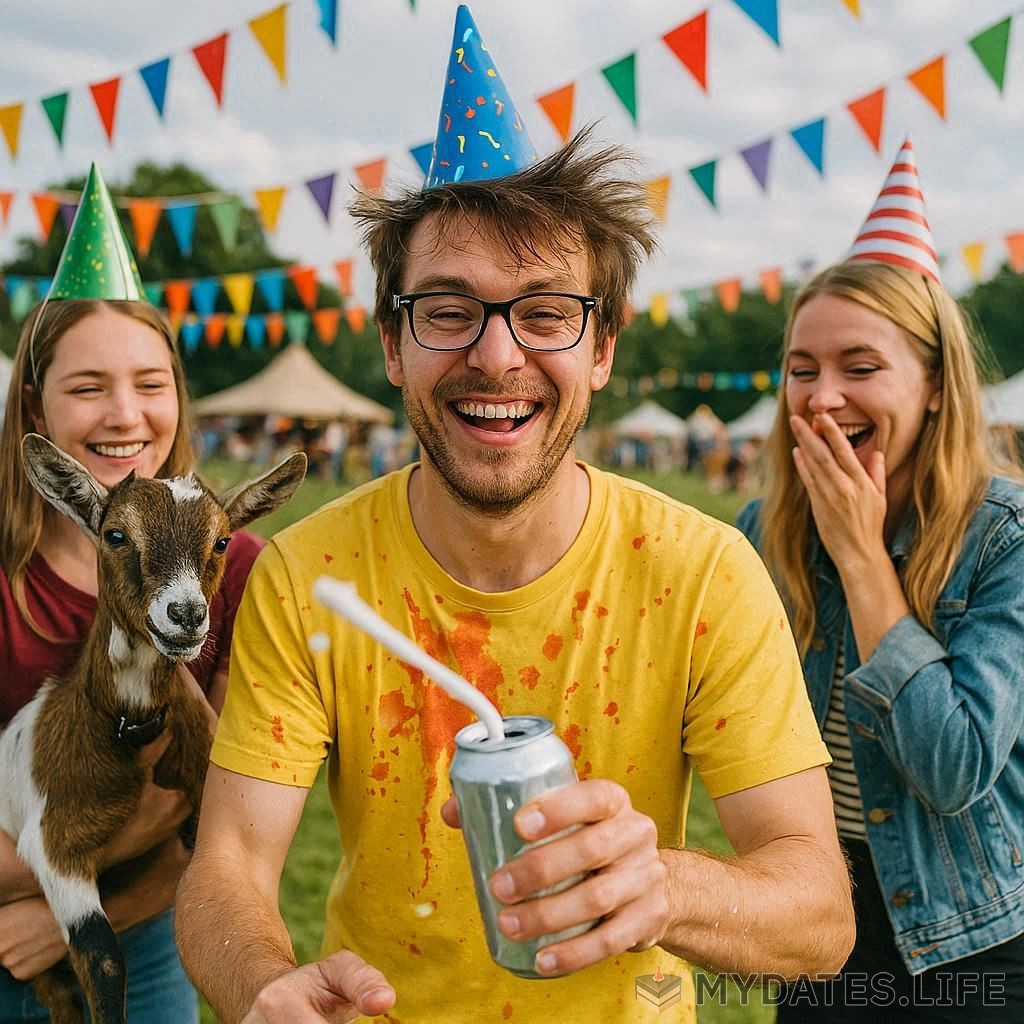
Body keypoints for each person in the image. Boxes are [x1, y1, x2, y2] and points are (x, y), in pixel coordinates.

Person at [175, 7, 854, 1023]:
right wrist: (265, 986)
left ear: (603, 347)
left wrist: (665, 883)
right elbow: (228, 861)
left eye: (544, 312)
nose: (496, 356)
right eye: (448, 309)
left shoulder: (703, 572)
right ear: (394, 344)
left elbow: (820, 920)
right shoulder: (306, 572)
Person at [738, 140, 1024, 1021]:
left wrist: (864, 560)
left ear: (935, 386)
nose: (822, 398)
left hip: (974, 940)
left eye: (861, 368)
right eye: (802, 370)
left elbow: (953, 767)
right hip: (817, 923)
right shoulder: (760, 534)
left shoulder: (1002, 539)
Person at [0, 165, 264, 1023]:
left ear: (178, 399)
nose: (126, 416)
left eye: (151, 384)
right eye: (88, 387)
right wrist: (57, 889)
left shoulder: (238, 566)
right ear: (35, 407)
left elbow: (228, 806)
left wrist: (87, 916)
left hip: (143, 946)